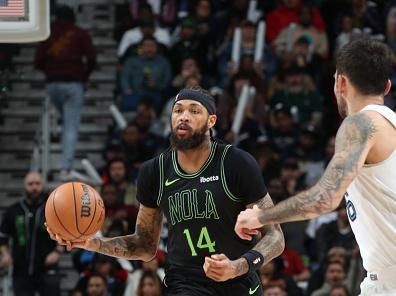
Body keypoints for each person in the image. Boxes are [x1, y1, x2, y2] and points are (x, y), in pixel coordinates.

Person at [48, 86, 285, 296]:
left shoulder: (235, 163)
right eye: (178, 110)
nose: (184, 116)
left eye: (194, 111)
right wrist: (93, 243)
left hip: (238, 281)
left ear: (211, 121)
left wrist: (238, 266)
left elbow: (275, 237)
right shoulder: (155, 171)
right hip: (185, 282)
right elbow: (144, 245)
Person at [235, 38, 396, 295]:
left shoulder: (360, 124)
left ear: (341, 83)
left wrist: (260, 217)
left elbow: (325, 198)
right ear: (386, 86)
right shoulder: (390, 125)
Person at [34, 5, 97, 180]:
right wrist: (84, 76)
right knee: (70, 126)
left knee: (62, 118)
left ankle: (55, 131)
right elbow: (92, 58)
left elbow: (38, 61)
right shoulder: (80, 33)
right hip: (73, 83)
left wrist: (50, 71)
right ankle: (65, 168)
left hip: (53, 84)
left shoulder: (48, 33)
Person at [0, 171, 63, 296]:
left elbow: (65, 235)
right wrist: (5, 254)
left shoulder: (54, 210)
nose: (34, 187)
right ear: (24, 186)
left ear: (43, 185)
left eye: (37, 184)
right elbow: (3, 237)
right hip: (21, 269)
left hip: (47, 267)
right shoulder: (13, 210)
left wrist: (57, 252)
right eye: (30, 184)